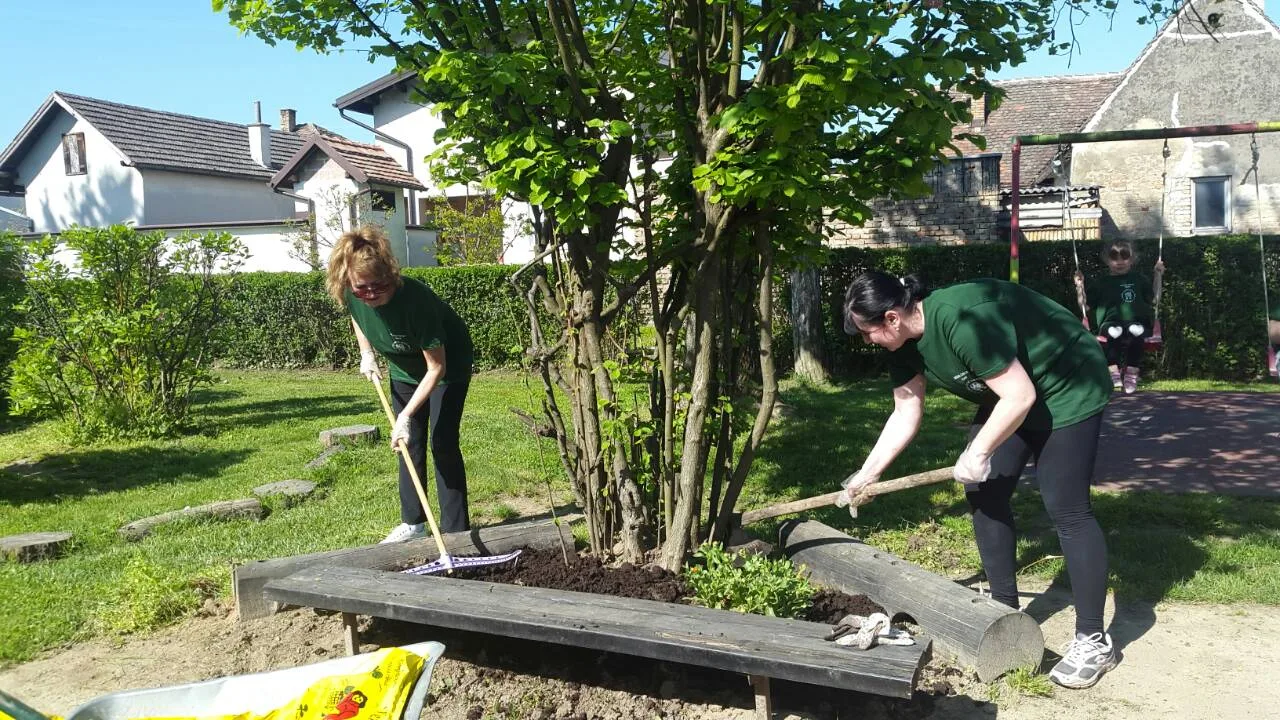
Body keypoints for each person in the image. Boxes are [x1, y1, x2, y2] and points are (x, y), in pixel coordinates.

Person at [840, 271, 1115, 690]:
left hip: (1067, 382)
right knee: (984, 490)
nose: (866, 341)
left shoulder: (961, 319)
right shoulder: (902, 345)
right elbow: (905, 413)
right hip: (1013, 390)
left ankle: (1093, 640)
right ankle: (1003, 612)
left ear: (892, 318)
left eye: (867, 332)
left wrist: (980, 450)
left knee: (1066, 507)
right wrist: (868, 473)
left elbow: (1021, 397)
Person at [325, 226, 475, 543]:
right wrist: (367, 354)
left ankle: (455, 529)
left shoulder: (416, 303)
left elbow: (436, 367)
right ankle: (413, 522)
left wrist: (405, 415)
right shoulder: (354, 295)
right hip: (404, 369)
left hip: (446, 369)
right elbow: (358, 317)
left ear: (391, 276)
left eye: (377, 288)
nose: (370, 296)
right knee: (408, 444)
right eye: (361, 290)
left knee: (443, 442)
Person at [1073, 239, 1165, 394]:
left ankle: (1132, 371)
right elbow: (1085, 306)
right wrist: (1079, 287)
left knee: (1137, 331)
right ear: (1107, 259)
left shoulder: (1139, 279)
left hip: (1137, 322)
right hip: (1110, 323)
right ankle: (1113, 370)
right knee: (1114, 332)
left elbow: (1155, 299)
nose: (1120, 261)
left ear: (1133, 258)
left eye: (1125, 255)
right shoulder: (1102, 282)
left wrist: (1158, 276)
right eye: (1114, 256)